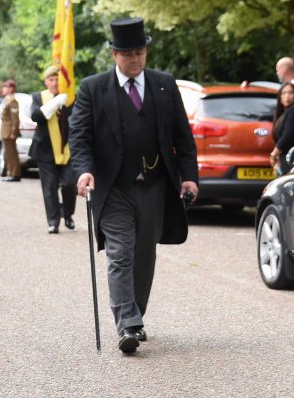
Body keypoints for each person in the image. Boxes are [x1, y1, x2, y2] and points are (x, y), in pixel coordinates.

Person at [70, 18, 198, 354]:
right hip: (113, 188)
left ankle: (135, 313)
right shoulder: (92, 88)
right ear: (114, 54)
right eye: (127, 53)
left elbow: (183, 137)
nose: (135, 59)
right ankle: (127, 322)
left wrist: (189, 176)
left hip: (154, 186)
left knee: (144, 254)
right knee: (120, 253)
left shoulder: (164, 85)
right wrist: (84, 171)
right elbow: (79, 138)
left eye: (139, 52)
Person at [28, 65, 76, 233]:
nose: (55, 82)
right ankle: (53, 221)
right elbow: (35, 116)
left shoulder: (71, 97)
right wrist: (55, 103)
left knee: (70, 184)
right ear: (46, 81)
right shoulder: (39, 97)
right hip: (45, 150)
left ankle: (68, 213)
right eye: (51, 79)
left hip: (68, 151)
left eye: (57, 79)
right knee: (49, 187)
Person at [270, 82, 294, 175]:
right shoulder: (283, 113)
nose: (287, 96)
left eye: (290, 93)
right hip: (286, 160)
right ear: (280, 97)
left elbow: (287, 136)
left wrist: (274, 154)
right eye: (284, 93)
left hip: (293, 161)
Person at [0, 79, 22, 182]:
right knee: (8, 154)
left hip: (9, 132)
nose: (3, 89)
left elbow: (15, 119)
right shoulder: (7, 100)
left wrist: (14, 132)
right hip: (5, 131)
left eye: (5, 87)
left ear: (11, 89)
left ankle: (15, 173)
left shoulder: (12, 101)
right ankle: (10, 172)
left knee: (12, 153)